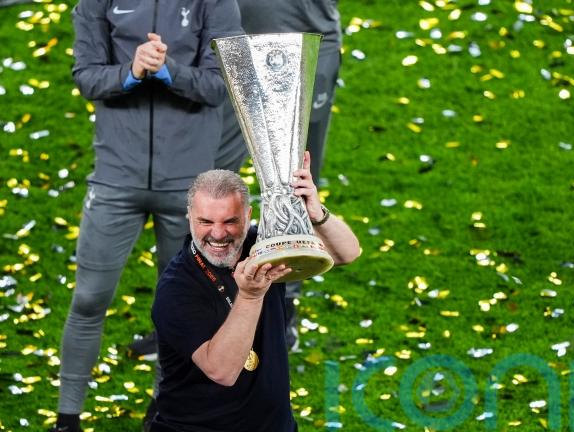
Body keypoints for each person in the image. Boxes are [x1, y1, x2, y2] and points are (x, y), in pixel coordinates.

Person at [49, 1, 243, 431]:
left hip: (188, 189)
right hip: (115, 180)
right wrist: (132, 71)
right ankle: (66, 419)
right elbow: (86, 76)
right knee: (89, 299)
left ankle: (163, 408)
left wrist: (168, 70)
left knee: (181, 308)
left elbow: (222, 85)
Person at [149, 152, 360, 431]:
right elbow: (222, 371)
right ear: (189, 218)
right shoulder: (176, 288)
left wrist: (316, 214)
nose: (218, 234)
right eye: (206, 222)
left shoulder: (263, 246)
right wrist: (250, 296)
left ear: (248, 215)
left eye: (230, 221)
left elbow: (347, 253)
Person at [215, 0, 343, 352]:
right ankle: (201, 299)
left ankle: (283, 307)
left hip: (302, 47)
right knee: (212, 181)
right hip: (229, 48)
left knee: (295, 184)